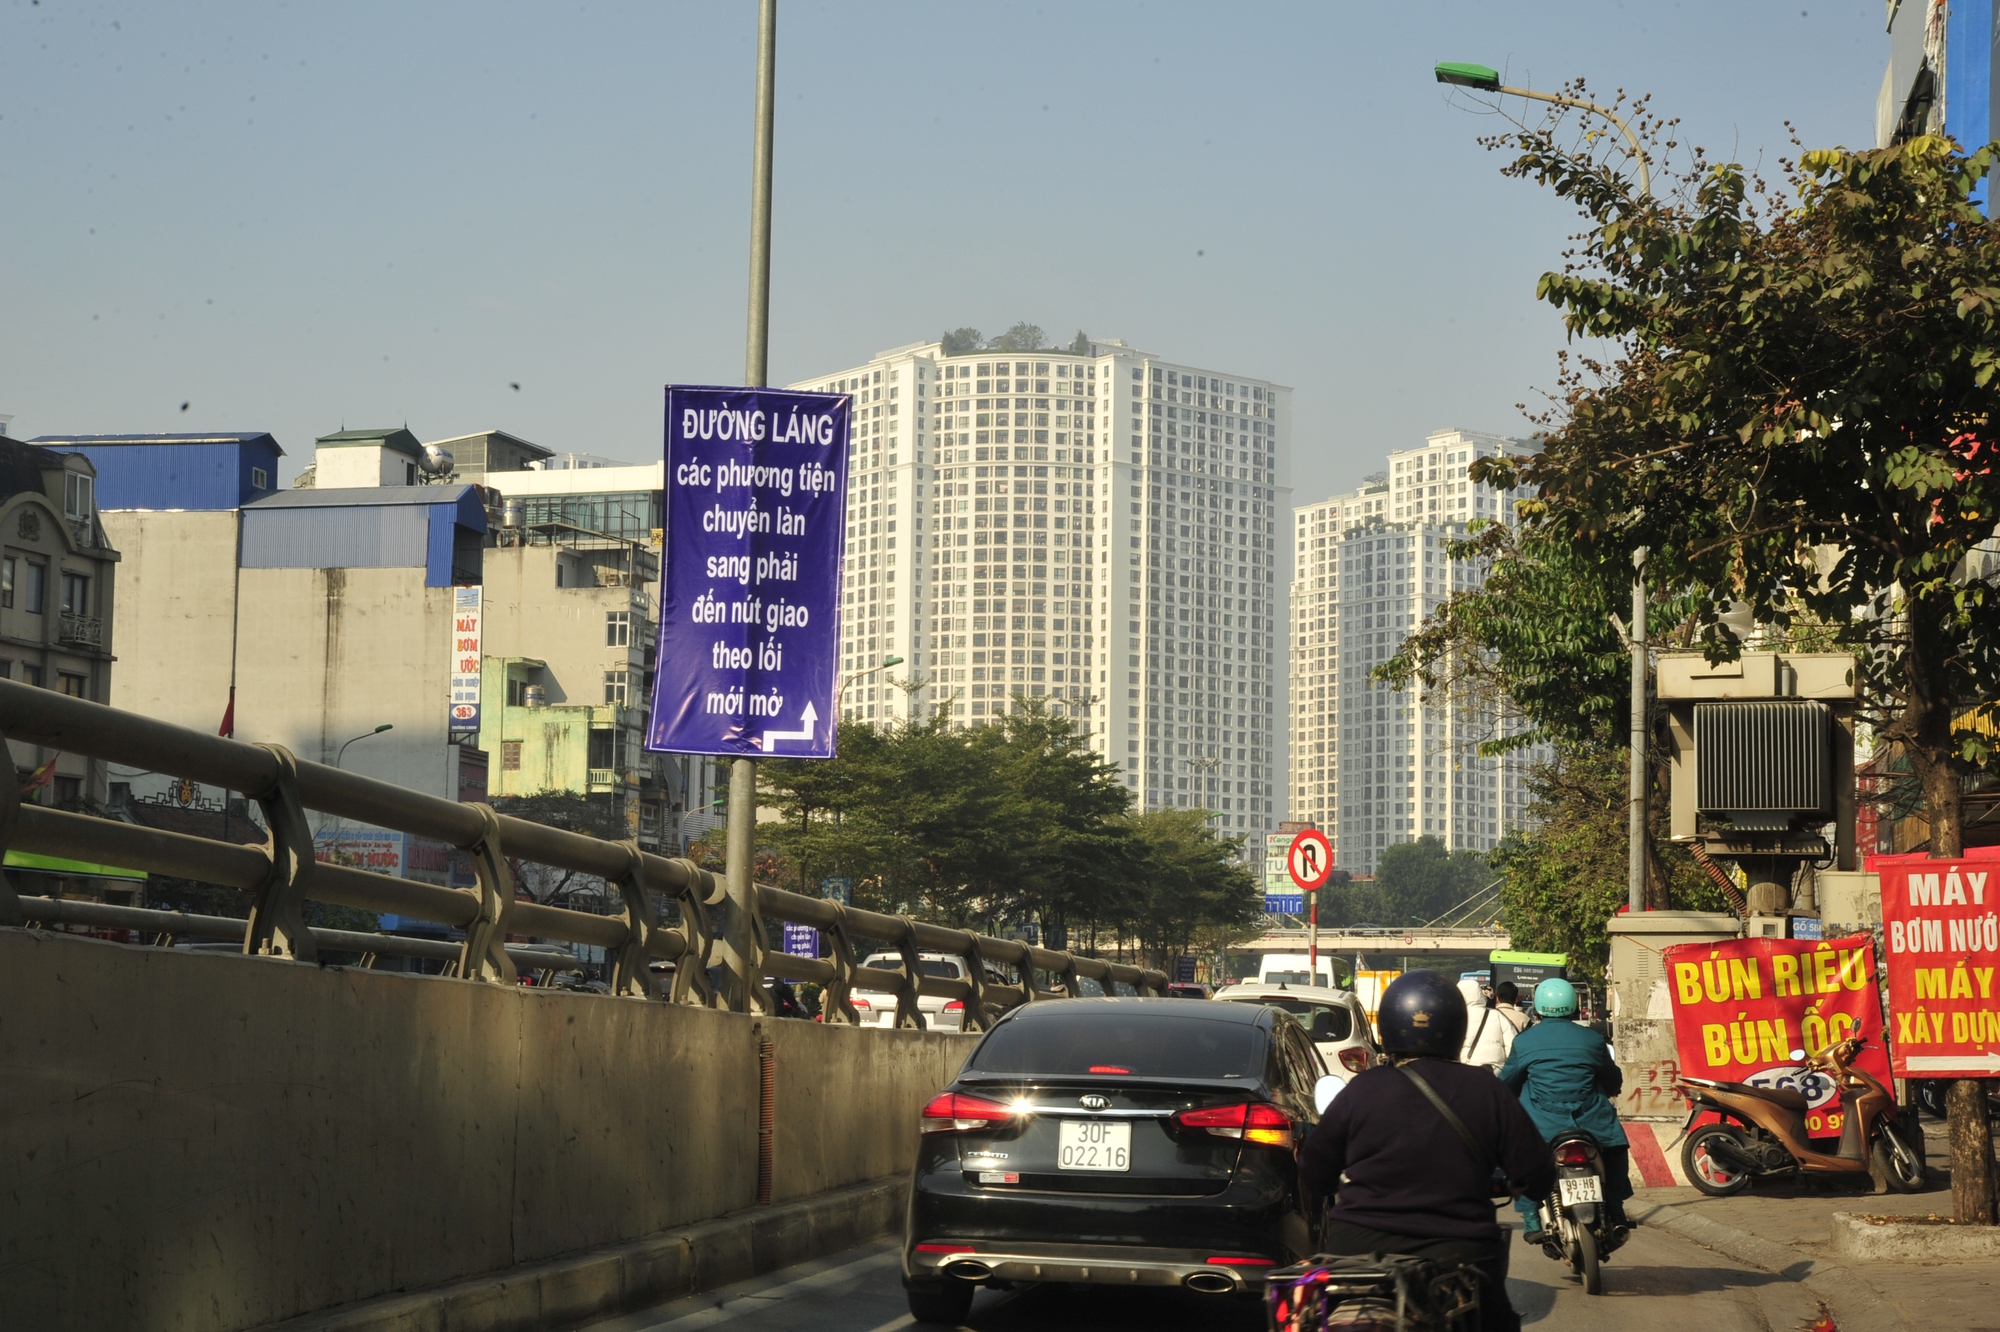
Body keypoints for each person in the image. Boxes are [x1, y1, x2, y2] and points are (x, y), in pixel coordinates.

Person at [1299, 971, 1554, 1332]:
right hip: (1461, 1253)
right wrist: (1523, 1185)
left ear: (1388, 1026)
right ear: (1455, 1027)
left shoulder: (1362, 1089)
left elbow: (1313, 1170)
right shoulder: (1486, 1090)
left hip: (1357, 1250)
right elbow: (1536, 1171)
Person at [1499, 977, 1633, 1241]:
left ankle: (1530, 1218)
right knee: (1616, 1150)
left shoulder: (1525, 1042)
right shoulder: (1592, 1039)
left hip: (1543, 1126)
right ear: (1573, 1005)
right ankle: (1616, 1209)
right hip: (1592, 1123)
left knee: (1521, 1156)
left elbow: (1507, 1082)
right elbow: (1612, 1080)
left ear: (1537, 1007)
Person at [1458, 976, 1515, 1074]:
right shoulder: (1496, 1015)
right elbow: (1512, 1046)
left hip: (1465, 1071)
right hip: (1494, 1071)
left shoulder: (1457, 1016)